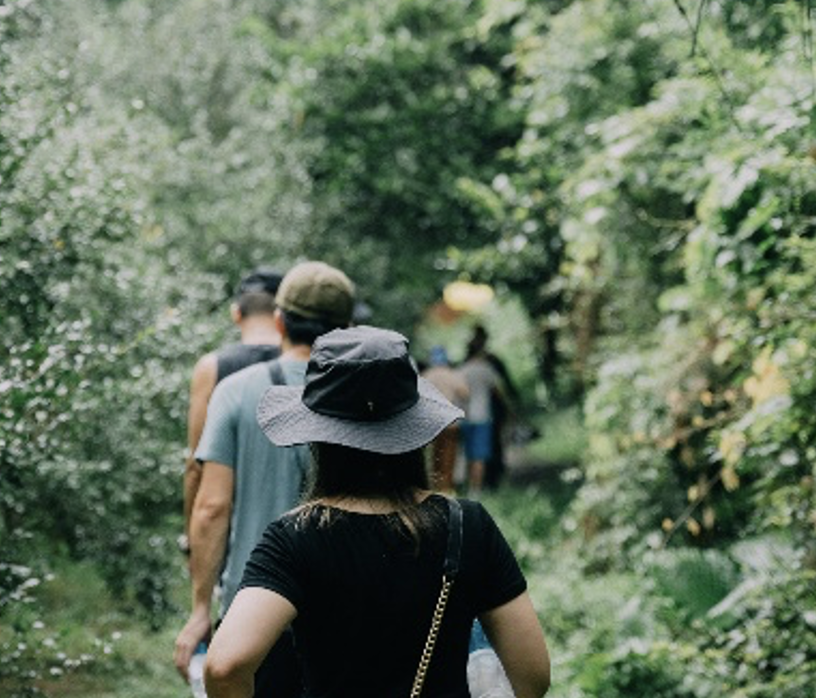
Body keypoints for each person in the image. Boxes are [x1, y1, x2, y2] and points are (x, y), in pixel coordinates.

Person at [203, 326, 549, 698]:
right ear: (414, 427)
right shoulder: (467, 525)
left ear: (320, 436)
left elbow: (225, 666)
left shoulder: (293, 539)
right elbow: (533, 676)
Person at [174, 261, 358, 697]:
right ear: (348, 328)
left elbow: (212, 507)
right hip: (348, 605)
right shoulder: (363, 394)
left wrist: (200, 607)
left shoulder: (236, 391)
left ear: (279, 321)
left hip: (251, 610)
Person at [183, 267, 285, 537]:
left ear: (236, 313)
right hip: (295, 531)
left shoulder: (212, 368)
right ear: (282, 316)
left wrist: (192, 537)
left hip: (232, 532)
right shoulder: (307, 366)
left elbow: (196, 467)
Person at [459, 326, 516, 493]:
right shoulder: (491, 363)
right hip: (488, 412)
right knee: (490, 447)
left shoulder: (462, 367)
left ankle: (474, 484)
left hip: (467, 414)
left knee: (470, 450)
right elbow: (503, 388)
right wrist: (511, 409)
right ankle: (488, 482)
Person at [419, 346, 468, 494]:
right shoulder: (452, 375)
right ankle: (447, 489)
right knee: (449, 457)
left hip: (432, 423)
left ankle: (433, 488)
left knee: (433, 457)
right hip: (451, 422)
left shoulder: (426, 375)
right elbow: (465, 394)